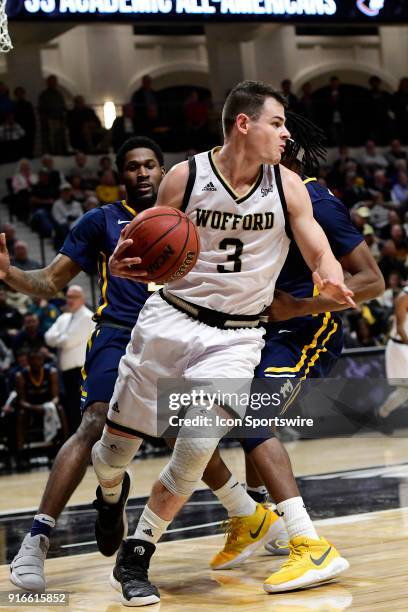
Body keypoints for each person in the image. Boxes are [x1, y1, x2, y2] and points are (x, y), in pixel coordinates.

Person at [94, 81, 354, 604]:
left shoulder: (288, 186)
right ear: (244, 124)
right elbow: (143, 239)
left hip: (237, 334)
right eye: (277, 123)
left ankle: (138, 553)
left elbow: (318, 246)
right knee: (114, 451)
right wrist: (124, 263)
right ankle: (108, 491)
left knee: (195, 447)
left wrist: (328, 276)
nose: (286, 134)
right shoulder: (186, 176)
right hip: (169, 320)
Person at [204, 111, 384, 565]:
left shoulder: (316, 201)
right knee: (197, 416)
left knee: (252, 416)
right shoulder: (258, 197)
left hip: (307, 328)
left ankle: (308, 543)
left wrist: (299, 306)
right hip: (260, 328)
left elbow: (372, 279)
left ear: (289, 149)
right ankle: (259, 517)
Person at [2, 137, 165, 593]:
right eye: (133, 167)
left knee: (193, 438)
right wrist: (10, 274)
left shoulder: (183, 218)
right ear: (119, 177)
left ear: (163, 171)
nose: (143, 173)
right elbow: (52, 280)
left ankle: (113, 498)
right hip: (118, 334)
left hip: (171, 337)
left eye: (150, 165)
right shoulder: (102, 221)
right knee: (92, 423)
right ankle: (36, 540)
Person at [44, 285, 95, 435]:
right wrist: (61, 337)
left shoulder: (87, 316)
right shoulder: (64, 317)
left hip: (81, 371)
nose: (70, 300)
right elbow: (48, 337)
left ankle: (86, 441)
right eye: (68, 297)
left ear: (82, 299)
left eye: (73, 297)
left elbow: (66, 342)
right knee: (71, 408)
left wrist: (59, 337)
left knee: (81, 408)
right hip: (67, 372)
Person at [377, 287, 408, 424]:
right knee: (404, 391)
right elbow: (400, 328)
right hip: (400, 346)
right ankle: (381, 414)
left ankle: (382, 413)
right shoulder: (404, 296)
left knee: (404, 392)